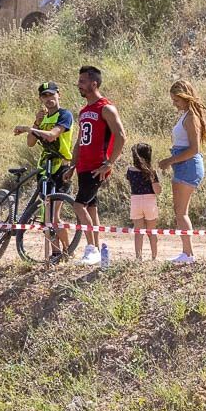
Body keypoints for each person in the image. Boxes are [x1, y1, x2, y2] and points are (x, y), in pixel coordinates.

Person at [67, 65, 127, 266]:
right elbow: (79, 142)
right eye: (79, 82)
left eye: (82, 82)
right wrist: (72, 165)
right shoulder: (84, 111)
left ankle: (91, 249)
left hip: (96, 167)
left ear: (94, 83)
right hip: (83, 166)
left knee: (78, 205)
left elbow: (121, 136)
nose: (79, 85)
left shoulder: (106, 108)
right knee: (91, 208)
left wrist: (109, 162)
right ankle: (97, 250)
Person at [12, 81, 74, 261]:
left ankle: (68, 251)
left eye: (51, 94)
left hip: (61, 166)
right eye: (44, 96)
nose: (48, 99)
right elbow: (30, 143)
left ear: (58, 94)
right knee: (45, 215)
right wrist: (36, 123)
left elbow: (53, 135)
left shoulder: (65, 115)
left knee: (54, 215)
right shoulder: (43, 117)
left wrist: (28, 129)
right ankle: (55, 253)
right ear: (41, 98)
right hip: (44, 167)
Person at [157, 80, 206, 265]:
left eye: (176, 100)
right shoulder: (186, 115)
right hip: (182, 164)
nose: (174, 104)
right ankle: (186, 252)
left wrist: (169, 160)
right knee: (179, 212)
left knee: (181, 212)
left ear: (185, 97)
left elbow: (194, 149)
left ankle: (188, 253)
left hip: (187, 164)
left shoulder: (191, 118)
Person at [127, 143, 162, 261]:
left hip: (135, 201)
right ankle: (154, 257)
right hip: (149, 201)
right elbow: (157, 191)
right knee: (151, 231)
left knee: (138, 231)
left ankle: (138, 257)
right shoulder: (151, 172)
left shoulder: (130, 171)